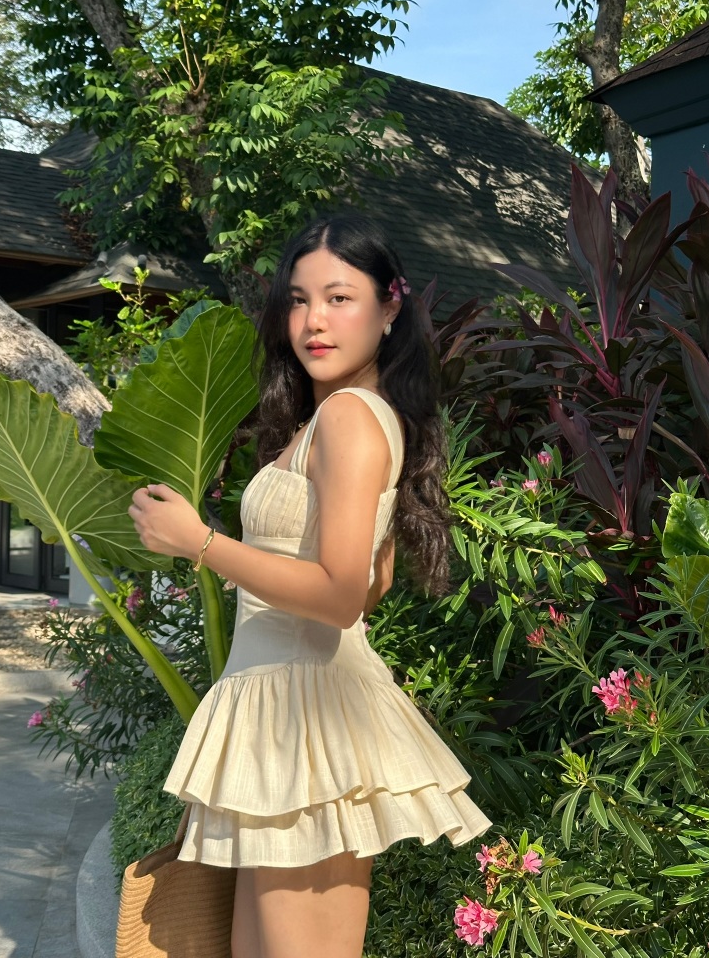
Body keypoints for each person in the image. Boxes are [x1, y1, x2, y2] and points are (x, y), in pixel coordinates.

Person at [128, 212, 491, 958]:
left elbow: (340, 598)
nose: (313, 321)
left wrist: (201, 542)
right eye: (298, 300)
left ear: (390, 308)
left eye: (338, 298)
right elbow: (373, 580)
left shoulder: (351, 418)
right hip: (290, 710)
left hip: (304, 719)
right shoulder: (335, 418)